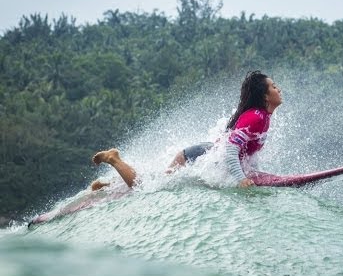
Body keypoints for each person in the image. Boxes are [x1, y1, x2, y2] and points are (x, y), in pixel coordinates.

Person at [90, 70, 282, 190]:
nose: (278, 89)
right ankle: (114, 159)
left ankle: (108, 186)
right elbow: (232, 150)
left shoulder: (264, 117)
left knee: (156, 181)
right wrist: (241, 179)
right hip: (197, 155)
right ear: (265, 96)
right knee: (146, 187)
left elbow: (246, 153)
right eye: (274, 86)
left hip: (205, 152)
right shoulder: (256, 117)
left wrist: (253, 172)